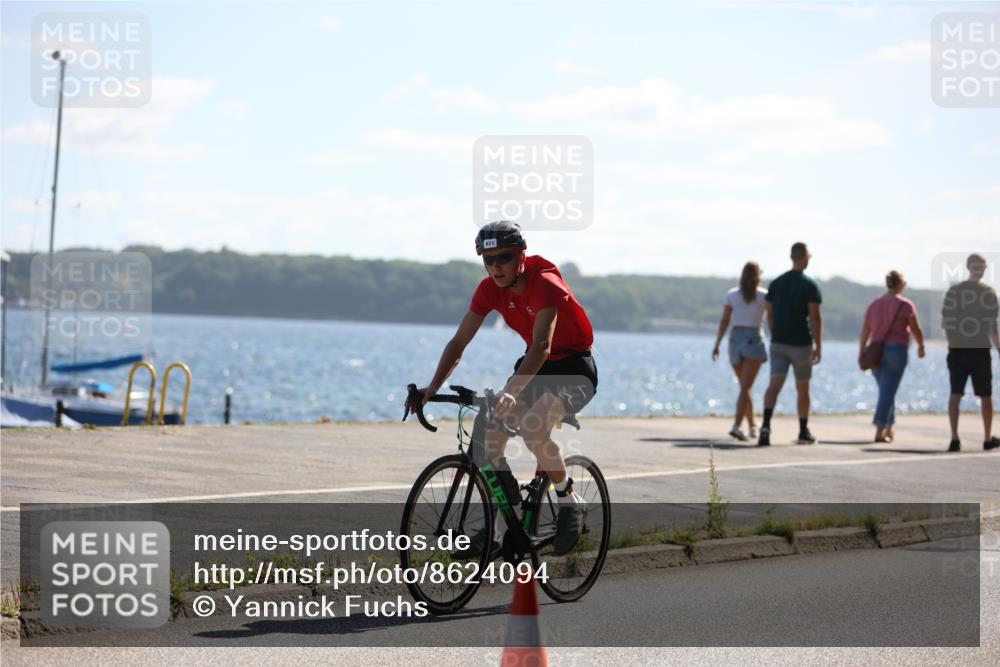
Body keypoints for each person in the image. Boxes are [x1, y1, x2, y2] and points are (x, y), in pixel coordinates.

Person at [410, 220, 598, 557]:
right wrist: (432, 386)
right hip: (533, 369)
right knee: (488, 435)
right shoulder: (488, 290)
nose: (496, 267)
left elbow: (542, 345)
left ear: (521, 255)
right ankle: (499, 527)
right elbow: (458, 342)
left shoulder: (545, 284)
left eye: (504, 258)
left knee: (533, 428)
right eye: (488, 259)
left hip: (572, 368)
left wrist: (512, 389)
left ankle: (569, 500)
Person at [758, 242, 822, 446]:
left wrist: (775, 331)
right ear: (804, 258)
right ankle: (803, 430)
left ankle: (766, 426)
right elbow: (815, 317)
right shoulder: (810, 285)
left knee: (774, 385)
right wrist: (818, 344)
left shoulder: (776, 284)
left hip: (778, 342)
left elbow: (769, 312)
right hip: (801, 343)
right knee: (802, 388)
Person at [859, 270, 926, 443]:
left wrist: (862, 351)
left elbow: (865, 330)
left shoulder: (874, 304)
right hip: (896, 350)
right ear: (900, 284)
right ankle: (880, 429)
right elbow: (915, 329)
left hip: (875, 350)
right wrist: (921, 345)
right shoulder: (905, 305)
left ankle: (889, 427)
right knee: (888, 390)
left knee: (886, 390)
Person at [941, 253, 1000, 452]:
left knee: (955, 393)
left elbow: (946, 323)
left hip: (957, 349)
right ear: (980, 268)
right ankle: (986, 437)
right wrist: (999, 348)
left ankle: (955, 438)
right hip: (979, 349)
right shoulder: (988, 292)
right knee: (986, 394)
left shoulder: (953, 291)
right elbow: (992, 327)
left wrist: (953, 343)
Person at [712, 261, 768, 442]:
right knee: (746, 387)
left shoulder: (732, 295)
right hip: (753, 338)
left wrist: (718, 343)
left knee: (745, 386)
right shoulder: (764, 296)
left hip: (735, 339)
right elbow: (773, 320)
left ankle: (752, 425)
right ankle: (737, 425)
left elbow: (724, 321)